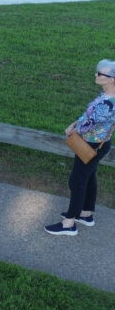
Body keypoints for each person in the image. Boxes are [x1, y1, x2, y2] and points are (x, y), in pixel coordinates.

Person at [44, 59, 115, 236]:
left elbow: (90, 124)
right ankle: (86, 214)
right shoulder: (106, 95)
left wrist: (74, 130)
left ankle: (68, 223)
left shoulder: (108, 103)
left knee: (77, 181)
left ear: (111, 79)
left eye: (100, 73)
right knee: (88, 177)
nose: (96, 75)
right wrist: (75, 123)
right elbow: (88, 115)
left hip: (91, 145)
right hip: (96, 143)